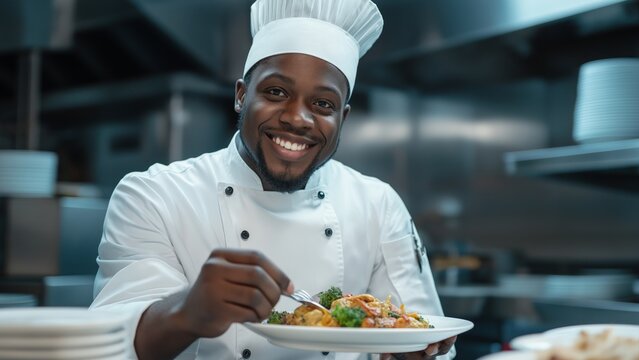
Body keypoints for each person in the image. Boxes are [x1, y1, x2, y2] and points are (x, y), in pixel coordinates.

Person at [90, 0, 457, 359]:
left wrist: (418, 354)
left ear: (342, 118)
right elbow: (106, 345)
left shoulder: (378, 205)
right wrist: (188, 311)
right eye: (276, 92)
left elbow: (420, 330)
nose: (298, 119)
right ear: (241, 96)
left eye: (323, 104)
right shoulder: (154, 195)